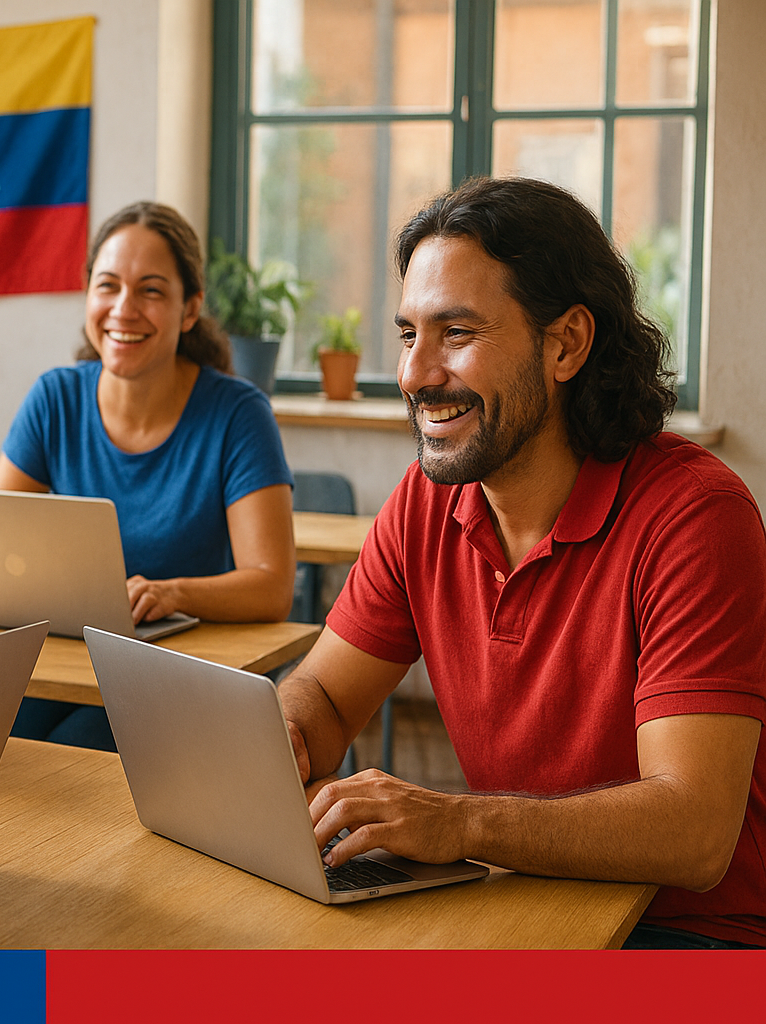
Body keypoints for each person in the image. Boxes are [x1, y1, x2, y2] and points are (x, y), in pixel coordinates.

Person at [281, 176, 766, 949]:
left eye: (458, 333)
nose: (414, 374)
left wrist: (460, 819)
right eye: (408, 334)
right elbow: (330, 698)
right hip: (520, 906)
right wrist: (289, 727)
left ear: (566, 343)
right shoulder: (424, 502)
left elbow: (695, 832)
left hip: (695, 941)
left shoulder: (696, 516)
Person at [0, 202, 296, 750]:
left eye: (151, 291)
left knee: (71, 757)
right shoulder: (54, 398)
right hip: (72, 657)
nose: (124, 309)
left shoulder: (238, 414)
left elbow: (271, 586)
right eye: (107, 286)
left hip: (177, 672)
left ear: (189, 309)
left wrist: (172, 593)